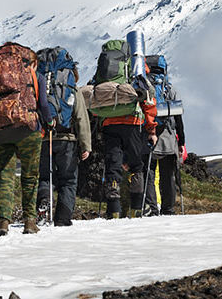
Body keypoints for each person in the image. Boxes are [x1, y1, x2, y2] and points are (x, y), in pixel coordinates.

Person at [0, 65, 54, 236]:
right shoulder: (35, 75)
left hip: (1, 129)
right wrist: (49, 122)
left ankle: (3, 223)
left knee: (5, 175)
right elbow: (42, 104)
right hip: (28, 130)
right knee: (30, 176)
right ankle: (30, 222)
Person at [37, 63, 92, 226]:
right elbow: (81, 118)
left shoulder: (42, 87)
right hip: (68, 140)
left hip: (45, 139)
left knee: (45, 177)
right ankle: (63, 218)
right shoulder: (72, 89)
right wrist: (85, 145)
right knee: (68, 180)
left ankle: (43, 201)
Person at [100, 71, 157, 219]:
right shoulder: (138, 71)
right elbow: (149, 102)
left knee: (112, 167)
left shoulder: (106, 73)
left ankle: (113, 210)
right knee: (136, 166)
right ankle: (137, 208)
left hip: (109, 123)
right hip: (132, 123)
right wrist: (151, 130)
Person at [144, 82, 185, 216]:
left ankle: (151, 209)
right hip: (168, 136)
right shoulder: (168, 87)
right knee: (168, 175)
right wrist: (181, 141)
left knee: (148, 175)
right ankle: (168, 209)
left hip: (147, 135)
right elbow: (178, 116)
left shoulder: (142, 84)